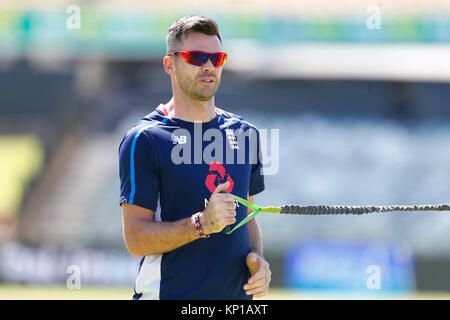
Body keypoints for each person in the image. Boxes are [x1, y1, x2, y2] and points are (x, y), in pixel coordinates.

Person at [119, 15, 271, 300]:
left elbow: (247, 217)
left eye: (217, 58)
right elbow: (136, 238)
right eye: (197, 57)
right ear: (170, 65)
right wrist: (201, 224)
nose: (209, 66)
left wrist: (258, 262)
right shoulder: (145, 139)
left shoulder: (245, 133)